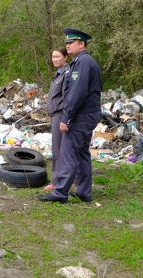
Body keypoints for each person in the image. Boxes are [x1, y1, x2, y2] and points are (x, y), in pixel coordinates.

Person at [38, 27, 102, 203]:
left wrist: (66, 118)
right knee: (82, 153)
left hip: (81, 116)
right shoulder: (84, 62)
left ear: (81, 44)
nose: (67, 46)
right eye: (66, 43)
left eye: (70, 43)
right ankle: (83, 192)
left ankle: (60, 193)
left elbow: (77, 94)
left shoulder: (82, 63)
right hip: (89, 114)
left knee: (68, 153)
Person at [43, 46, 69, 190]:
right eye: (53, 57)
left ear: (65, 57)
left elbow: (67, 98)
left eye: (58, 56)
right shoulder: (58, 73)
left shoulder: (67, 73)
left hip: (60, 115)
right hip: (54, 115)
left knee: (57, 148)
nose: (55, 59)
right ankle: (65, 178)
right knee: (59, 147)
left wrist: (65, 118)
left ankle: (56, 182)